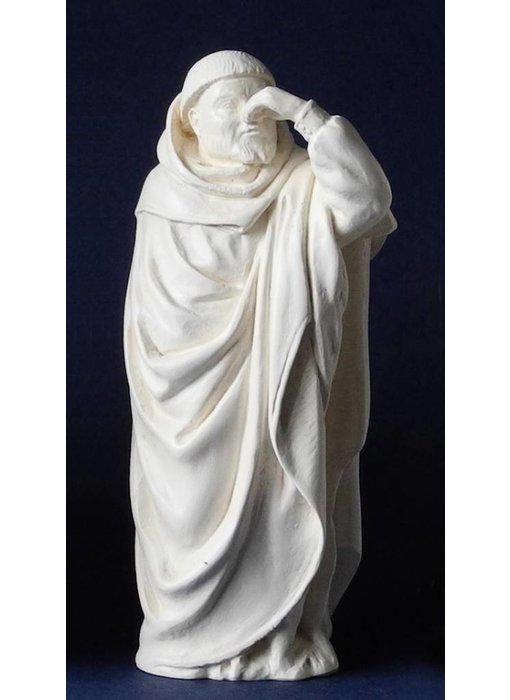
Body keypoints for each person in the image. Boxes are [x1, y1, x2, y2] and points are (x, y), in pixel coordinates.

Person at [124, 50, 397, 680]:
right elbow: (150, 318)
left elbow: (367, 203)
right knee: (189, 510)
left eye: (261, 106)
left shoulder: (302, 181)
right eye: (230, 104)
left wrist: (307, 116)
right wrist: (171, 384)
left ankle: (277, 638)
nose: (252, 118)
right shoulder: (163, 194)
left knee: (280, 500)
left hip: (280, 384)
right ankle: (189, 638)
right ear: (190, 120)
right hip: (185, 403)